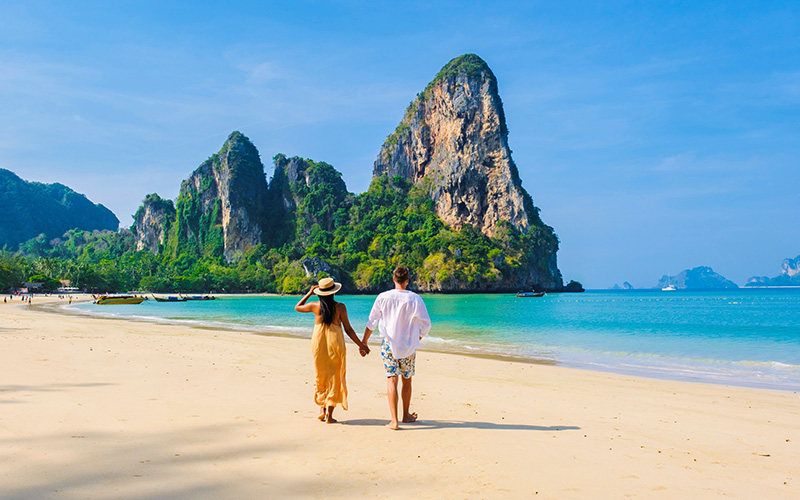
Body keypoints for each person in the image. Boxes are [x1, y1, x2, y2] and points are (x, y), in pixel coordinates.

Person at [362, 266, 431, 430]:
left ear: (394, 279)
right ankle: (406, 415)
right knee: (407, 380)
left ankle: (394, 421)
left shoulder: (383, 297)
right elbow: (426, 323)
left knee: (391, 380)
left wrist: (364, 342)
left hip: (388, 345)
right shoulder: (415, 299)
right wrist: (418, 337)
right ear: (407, 280)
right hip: (408, 346)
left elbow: (372, 322)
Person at [295, 277, 369, 424]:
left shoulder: (315, 306)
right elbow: (348, 329)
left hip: (318, 342)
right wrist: (361, 345)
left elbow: (297, 307)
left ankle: (322, 408)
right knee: (335, 376)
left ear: (320, 293)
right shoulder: (340, 307)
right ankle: (329, 415)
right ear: (333, 292)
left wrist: (309, 293)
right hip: (335, 342)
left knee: (320, 374)